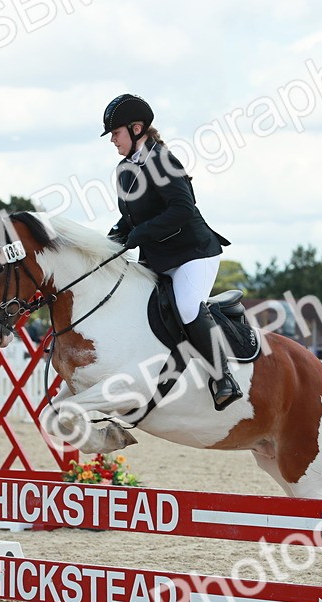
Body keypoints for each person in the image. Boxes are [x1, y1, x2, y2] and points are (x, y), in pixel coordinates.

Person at [101, 93, 241, 410]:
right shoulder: (125, 168)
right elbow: (133, 216)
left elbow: (182, 208)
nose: (112, 140)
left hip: (193, 253)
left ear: (136, 129)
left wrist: (140, 233)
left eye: (116, 132)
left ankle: (223, 379)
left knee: (188, 307)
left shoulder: (162, 162)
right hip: (158, 257)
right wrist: (114, 237)